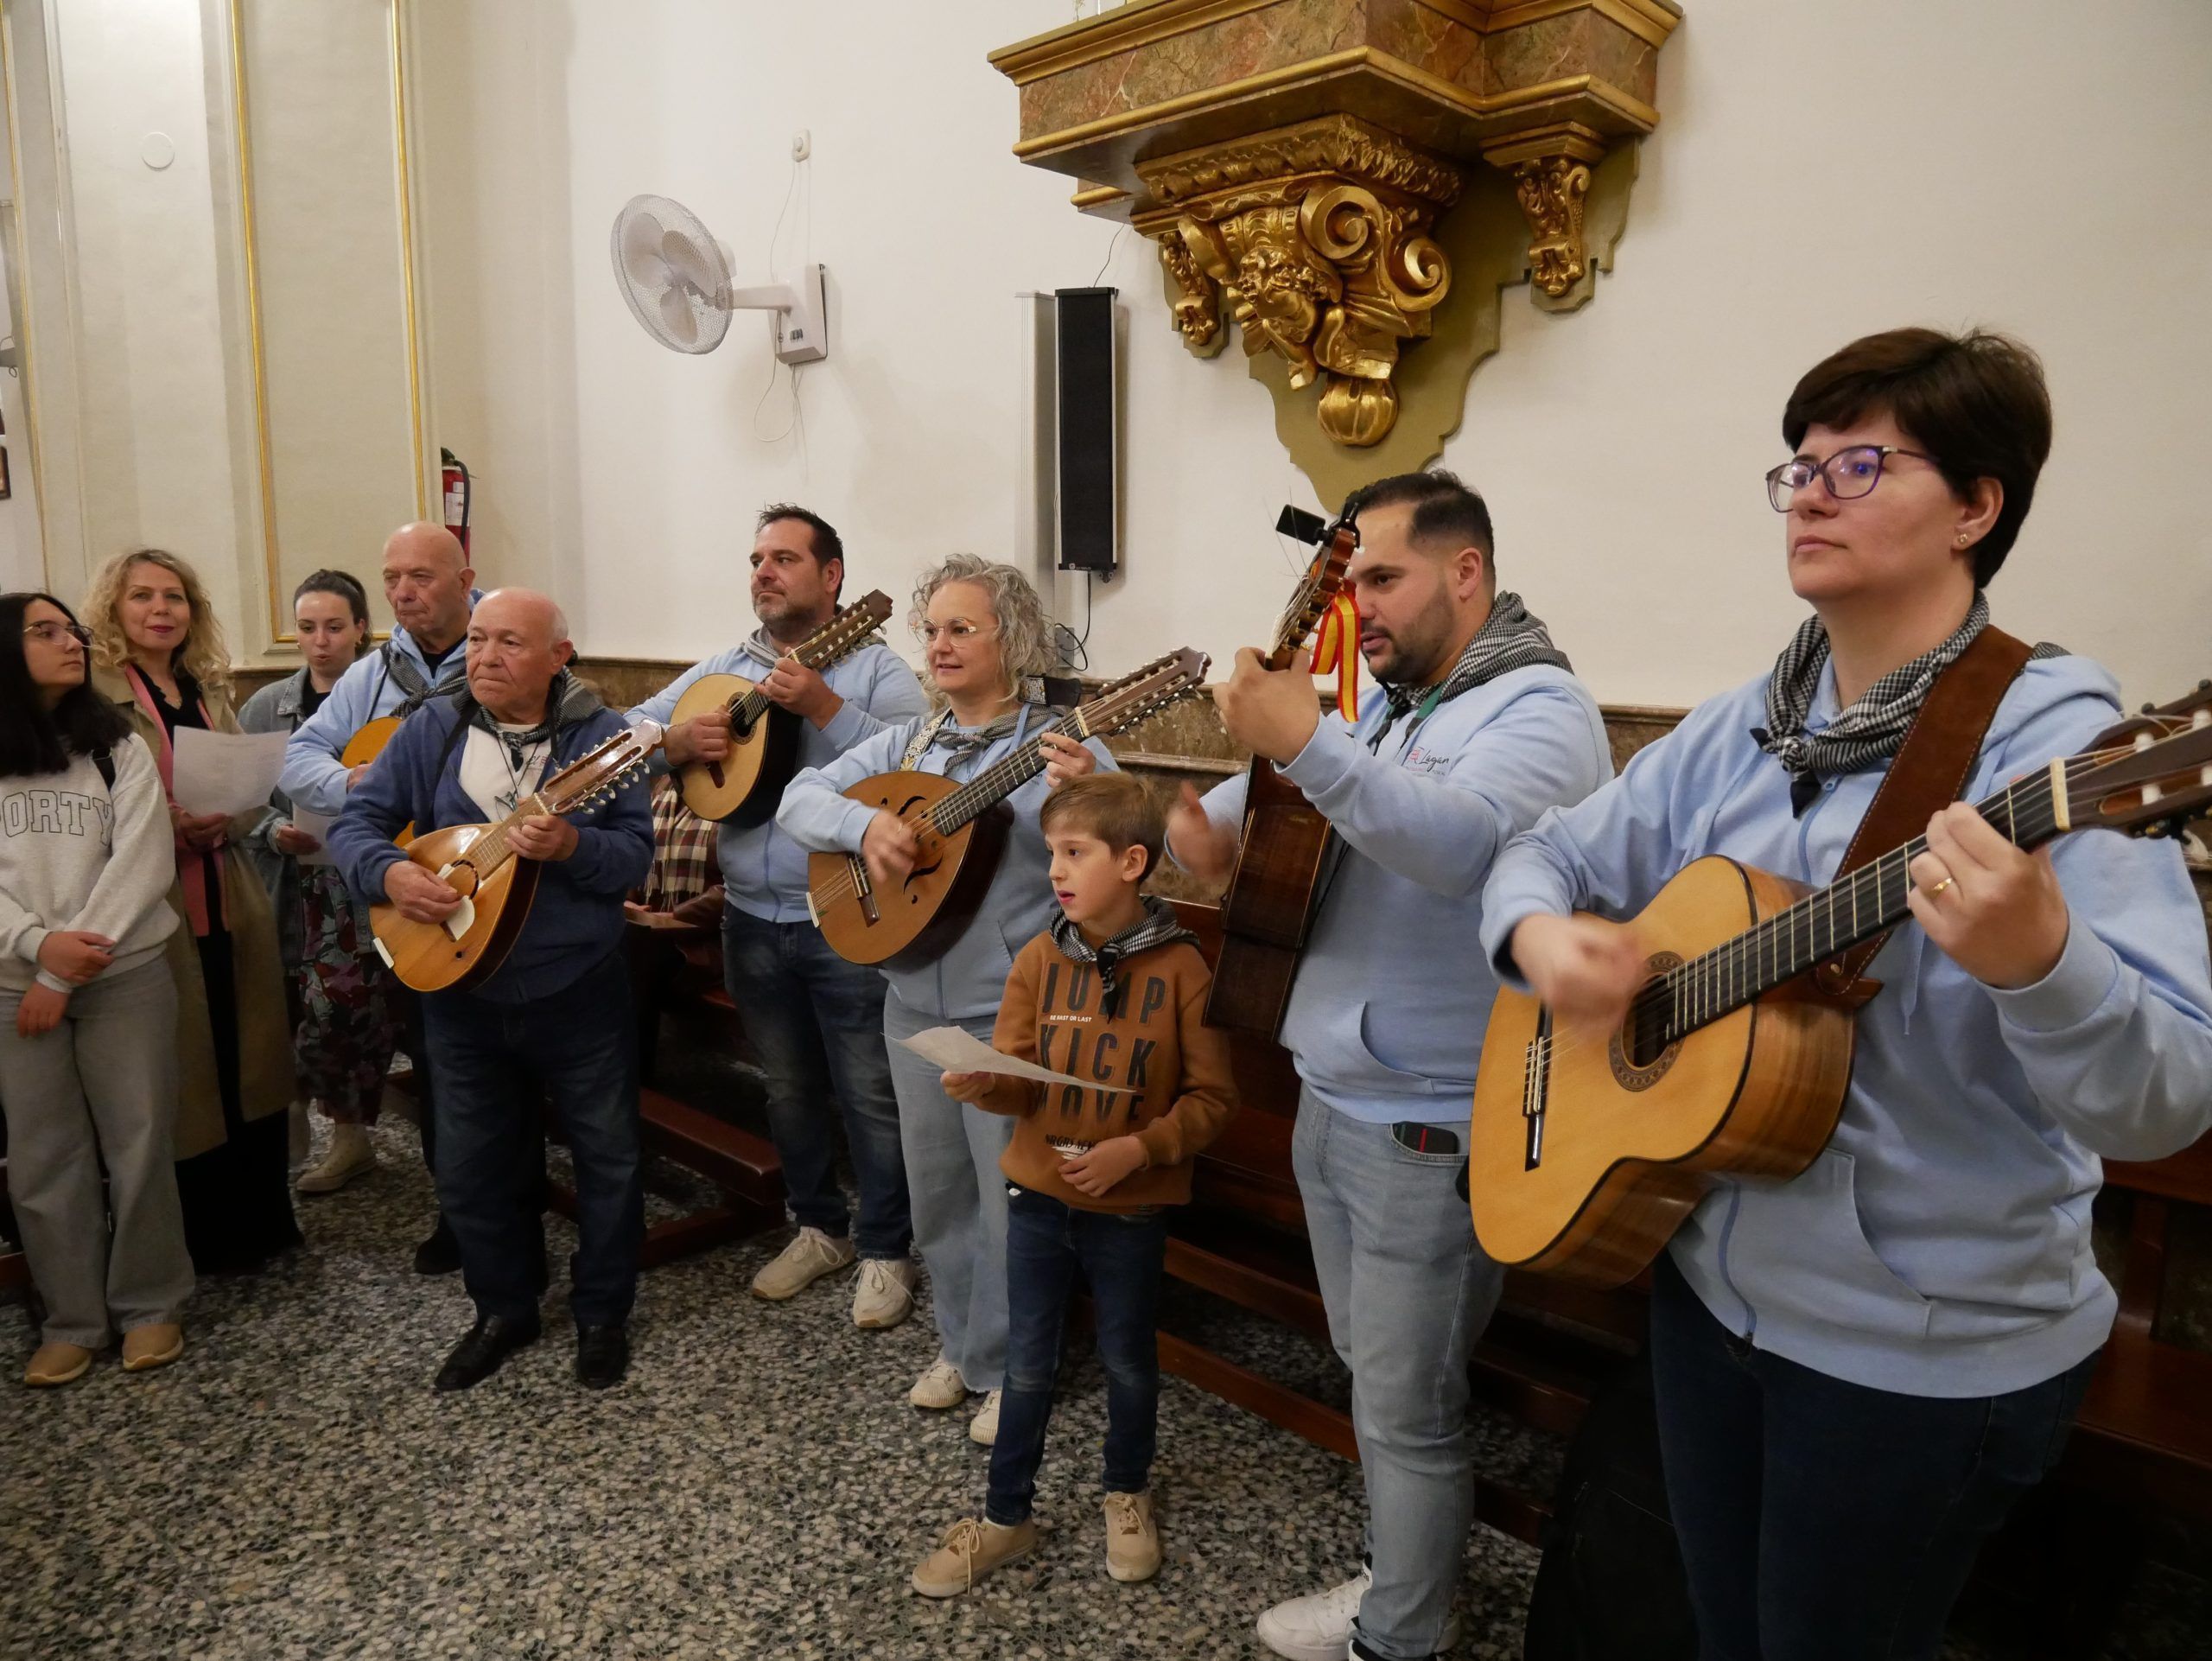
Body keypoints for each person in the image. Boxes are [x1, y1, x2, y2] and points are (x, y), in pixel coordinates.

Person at [1479, 328, 2212, 1661]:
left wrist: (2045, 963)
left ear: (1977, 508)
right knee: (1719, 1631)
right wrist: (1540, 934)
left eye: (1862, 463)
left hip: (1920, 1353)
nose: (1811, 491)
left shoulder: (2067, 749)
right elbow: (1549, 847)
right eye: (1800, 466)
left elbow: (2165, 1097)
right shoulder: (1747, 723)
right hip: (1710, 1292)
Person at [1167, 472, 1611, 1661]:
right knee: (1377, 1371)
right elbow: (1271, 801)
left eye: (1382, 578)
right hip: (1332, 1093)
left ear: (1466, 572)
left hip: (1435, 1119)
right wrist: (1203, 819)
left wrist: (1305, 735)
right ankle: (1410, 1581)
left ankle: (1403, 1633)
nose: (1355, 606)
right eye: (1347, 579)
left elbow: (1456, 844)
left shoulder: (1539, 709)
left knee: (1406, 1404)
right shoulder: (1391, 703)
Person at [779, 554, 1109, 1445]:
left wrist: (1086, 799)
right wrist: (866, 824)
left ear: (1018, 640)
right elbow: (798, 801)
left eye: (963, 627)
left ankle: (1020, 1368)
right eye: (933, 629)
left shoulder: (1059, 742)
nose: (940, 643)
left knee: (1017, 1199)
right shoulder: (909, 745)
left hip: (1011, 1007)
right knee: (939, 1193)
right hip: (907, 998)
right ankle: (963, 1346)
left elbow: (1120, 855)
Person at [911, 772, 1236, 1595]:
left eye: (1074, 853)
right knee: (1027, 1362)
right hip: (1039, 1196)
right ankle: (1004, 1516)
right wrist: (984, 1083)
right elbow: (1021, 1078)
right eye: (1052, 852)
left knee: (1128, 1360)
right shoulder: (1038, 958)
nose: (1055, 870)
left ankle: (1126, 1494)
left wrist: (1142, 1150)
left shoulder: (1182, 972)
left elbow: (1214, 1101)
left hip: (1128, 1210)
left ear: (1132, 862)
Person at [331, 588, 652, 1391]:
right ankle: (504, 1308)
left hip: (577, 991)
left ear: (558, 658)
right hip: (459, 991)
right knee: (471, 1164)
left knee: (607, 1158)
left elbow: (631, 863)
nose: (485, 657)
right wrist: (394, 873)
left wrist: (574, 844)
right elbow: (354, 827)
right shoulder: (434, 728)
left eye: (510, 642)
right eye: (477, 640)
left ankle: (603, 1313)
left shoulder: (605, 740)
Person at [627, 505, 929, 1326]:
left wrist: (827, 707)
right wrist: (675, 743)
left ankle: (886, 1251)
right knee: (788, 1088)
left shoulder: (877, 670)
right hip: (748, 919)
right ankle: (818, 1227)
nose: (763, 571)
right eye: (757, 558)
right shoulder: (725, 669)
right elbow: (626, 729)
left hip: (845, 920)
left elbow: (919, 769)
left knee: (868, 1092)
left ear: (832, 577)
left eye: (784, 559)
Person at [86, 549, 301, 1276]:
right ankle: (201, 1238)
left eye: (174, 597)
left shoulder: (207, 690)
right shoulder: (96, 695)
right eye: (142, 596)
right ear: (114, 609)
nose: (160, 610)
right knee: (183, 1068)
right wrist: (166, 823)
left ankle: (261, 1224)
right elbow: (85, 811)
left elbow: (249, 784)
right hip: (154, 899)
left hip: (228, 887)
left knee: (248, 1055)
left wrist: (226, 820)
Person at [0, 592, 189, 1385]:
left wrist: (65, 965)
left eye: (70, 628)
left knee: (139, 1142)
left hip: (125, 973)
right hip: (14, 985)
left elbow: (144, 860)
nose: (69, 640)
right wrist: (37, 950)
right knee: (44, 1153)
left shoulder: (117, 744)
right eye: (43, 631)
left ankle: (149, 1306)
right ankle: (72, 1317)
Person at [281, 522, 479, 1271]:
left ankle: (498, 1210)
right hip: (396, 889)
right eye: (392, 576)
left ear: (464, 582)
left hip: (484, 887)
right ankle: (454, 1210)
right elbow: (301, 756)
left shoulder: (502, 650)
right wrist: (356, 783)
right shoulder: (373, 674)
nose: (401, 592)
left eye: (420, 577)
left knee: (479, 1063)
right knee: (428, 1055)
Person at [240, 570, 404, 1194]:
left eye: (335, 627)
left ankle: (351, 1138)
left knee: (345, 1015)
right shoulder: (267, 707)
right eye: (307, 628)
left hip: (355, 884)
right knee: (282, 1010)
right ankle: (286, 1134)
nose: (321, 641)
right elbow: (242, 795)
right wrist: (273, 828)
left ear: (362, 629)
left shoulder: (386, 698)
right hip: (287, 882)